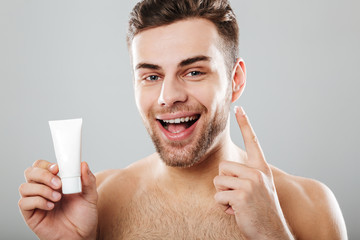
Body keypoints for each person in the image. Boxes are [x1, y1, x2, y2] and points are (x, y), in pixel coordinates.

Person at [18, 0, 348, 239]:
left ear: (236, 80)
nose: (168, 95)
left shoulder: (312, 207)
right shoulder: (99, 202)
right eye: (150, 76)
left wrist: (272, 233)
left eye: (193, 71)